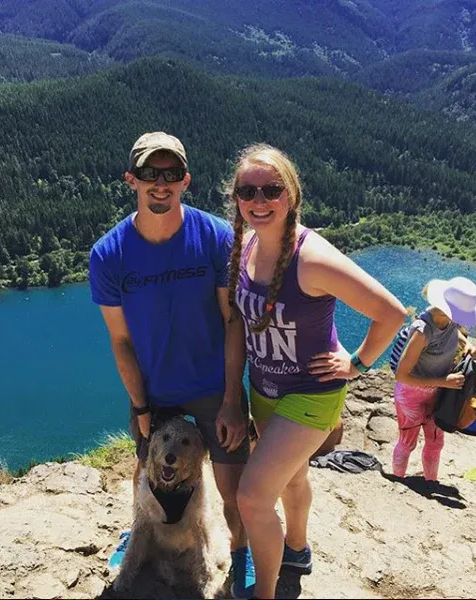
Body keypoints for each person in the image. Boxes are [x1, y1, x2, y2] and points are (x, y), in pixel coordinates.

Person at [225, 143, 407, 600]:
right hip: (265, 389)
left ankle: (265, 594)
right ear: (236, 198)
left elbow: (391, 312)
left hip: (311, 392)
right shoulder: (247, 246)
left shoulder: (313, 257)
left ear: (292, 195)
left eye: (272, 189)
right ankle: (298, 549)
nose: (259, 201)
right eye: (248, 191)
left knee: (252, 497)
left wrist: (358, 363)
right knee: (292, 476)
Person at [89, 132, 255, 596]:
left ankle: (241, 552)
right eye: (148, 174)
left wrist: (230, 399)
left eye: (169, 175)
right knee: (144, 469)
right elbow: (120, 340)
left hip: (209, 385)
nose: (159, 184)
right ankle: (139, 530)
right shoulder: (109, 254)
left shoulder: (215, 237)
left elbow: (232, 320)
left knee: (233, 486)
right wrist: (141, 406)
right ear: (131, 179)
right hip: (155, 388)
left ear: (185, 180)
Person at [392, 277, 476, 482]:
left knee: (435, 442)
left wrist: (466, 343)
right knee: (408, 441)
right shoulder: (423, 330)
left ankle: (430, 482)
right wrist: (443, 381)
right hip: (412, 395)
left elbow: (455, 334)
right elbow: (402, 375)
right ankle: (397, 484)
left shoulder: (450, 321)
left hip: (437, 392)